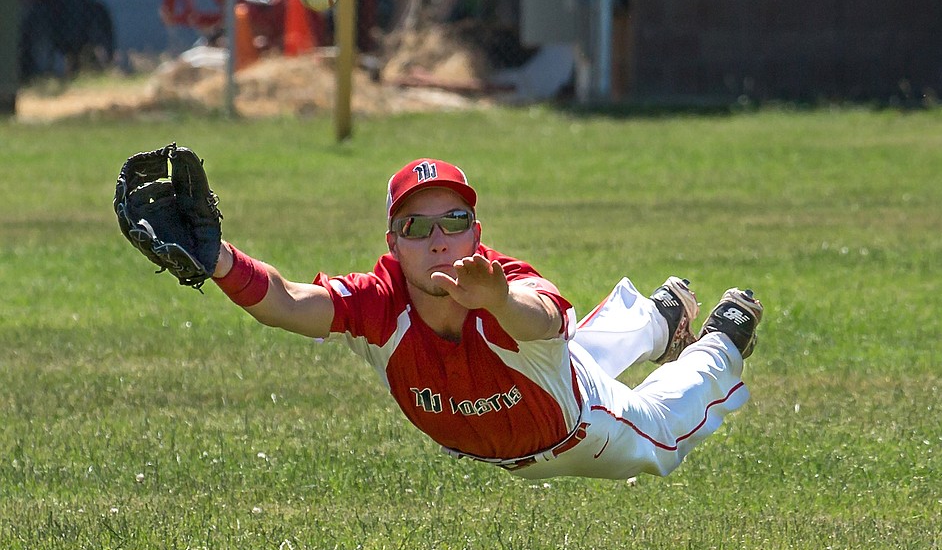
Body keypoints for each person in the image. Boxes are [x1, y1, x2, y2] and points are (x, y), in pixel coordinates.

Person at [209, 158, 763, 480]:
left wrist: (496, 301)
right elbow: (284, 301)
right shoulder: (378, 306)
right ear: (393, 244)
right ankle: (657, 321)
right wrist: (216, 258)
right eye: (416, 227)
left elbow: (545, 322)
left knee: (661, 434)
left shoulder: (503, 281)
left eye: (453, 220)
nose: (439, 241)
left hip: (577, 429)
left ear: (476, 231)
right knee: (566, 359)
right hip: (533, 392)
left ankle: (720, 346)